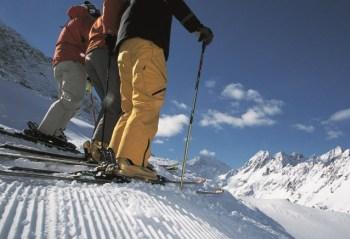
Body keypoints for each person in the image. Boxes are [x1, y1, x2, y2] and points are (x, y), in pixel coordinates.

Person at [106, 0, 213, 180]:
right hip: (148, 44)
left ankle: (114, 156)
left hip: (124, 47)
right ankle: (131, 162)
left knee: (129, 108)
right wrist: (198, 28)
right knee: (147, 104)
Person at [25, 2, 100, 147]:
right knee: (70, 99)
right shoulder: (84, 20)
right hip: (73, 63)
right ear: (90, 11)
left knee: (72, 101)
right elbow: (91, 42)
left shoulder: (74, 21)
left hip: (62, 63)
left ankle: (56, 131)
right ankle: (46, 130)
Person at [83, 0, 127, 162]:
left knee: (109, 103)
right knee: (115, 102)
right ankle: (100, 146)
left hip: (93, 54)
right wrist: (110, 33)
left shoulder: (97, 22)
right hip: (104, 50)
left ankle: (95, 144)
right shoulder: (107, 17)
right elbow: (110, 5)